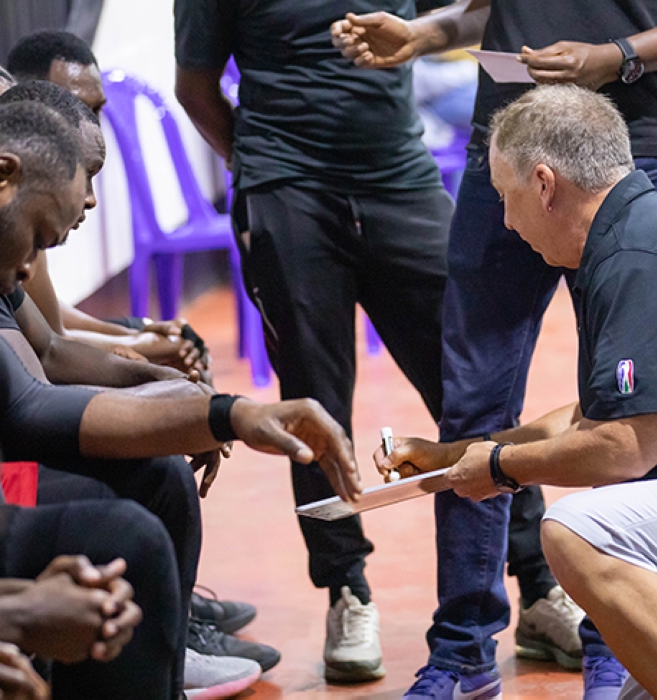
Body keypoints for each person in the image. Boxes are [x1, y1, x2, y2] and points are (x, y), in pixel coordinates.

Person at [332, 2, 657, 694]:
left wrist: (616, 56)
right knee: (470, 399)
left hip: (621, 152)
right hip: (502, 149)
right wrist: (422, 36)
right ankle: (462, 649)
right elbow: (488, 13)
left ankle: (613, 645)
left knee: (623, 405)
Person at [376, 85, 657, 699]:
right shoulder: (635, 233)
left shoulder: (639, 256)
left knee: (576, 532)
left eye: (506, 197)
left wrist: (503, 469)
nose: (506, 220)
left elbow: (624, 449)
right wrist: (455, 454)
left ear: (543, 184)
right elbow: (594, 416)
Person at [0, 101, 363, 696]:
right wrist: (11, 609)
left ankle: (173, 645)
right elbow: (26, 410)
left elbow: (46, 356)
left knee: (144, 500)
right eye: (38, 240)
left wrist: (199, 405)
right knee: (124, 537)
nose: (28, 268)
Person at [175, 0, 455, 683]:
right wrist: (267, 167)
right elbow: (194, 84)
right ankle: (347, 588)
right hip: (288, 188)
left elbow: (471, 15)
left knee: (471, 377)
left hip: (399, 176)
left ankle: (534, 576)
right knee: (312, 400)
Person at [4, 30, 210, 377]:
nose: (90, 127)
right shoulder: (15, 199)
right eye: (75, 110)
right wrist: (141, 348)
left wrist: (136, 331)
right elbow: (52, 344)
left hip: (54, 343)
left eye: (96, 110)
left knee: (187, 346)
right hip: (37, 373)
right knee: (186, 374)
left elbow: (47, 309)